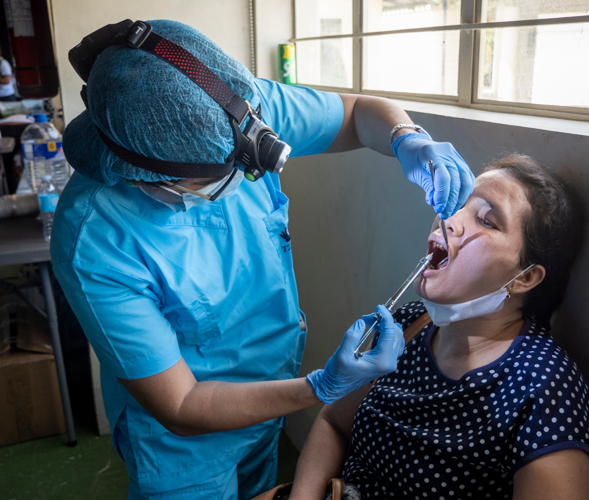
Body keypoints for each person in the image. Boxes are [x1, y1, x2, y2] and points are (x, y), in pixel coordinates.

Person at [51, 19, 475, 500]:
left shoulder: (234, 108)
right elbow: (182, 405)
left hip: (268, 397)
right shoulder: (94, 239)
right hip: (181, 447)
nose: (242, 180)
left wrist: (406, 137)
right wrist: (320, 387)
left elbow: (358, 114)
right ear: (146, 175)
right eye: (219, 176)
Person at [291, 155, 589, 500]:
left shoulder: (544, 389)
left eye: (487, 220)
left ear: (525, 277)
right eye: (458, 204)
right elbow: (333, 424)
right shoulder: (408, 325)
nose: (449, 221)